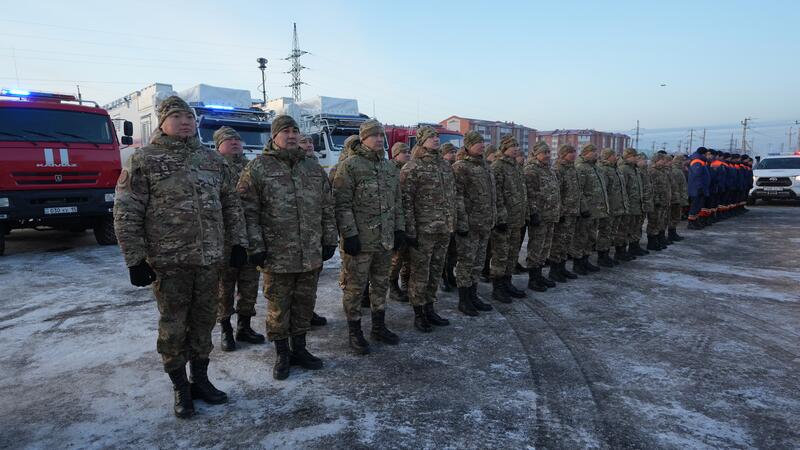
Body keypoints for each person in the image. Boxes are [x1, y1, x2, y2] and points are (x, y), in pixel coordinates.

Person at [114, 96, 247, 418]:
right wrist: (134, 259)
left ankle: (200, 380)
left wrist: (237, 244)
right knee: (173, 327)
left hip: (209, 260)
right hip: (169, 262)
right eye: (177, 117)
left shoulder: (212, 161)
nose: (185, 122)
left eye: (189, 117)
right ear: (162, 122)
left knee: (203, 323)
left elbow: (231, 204)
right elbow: (126, 212)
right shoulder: (144, 160)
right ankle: (180, 388)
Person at [237, 115, 338, 380]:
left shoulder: (312, 168)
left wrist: (329, 238)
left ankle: (301, 349)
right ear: (274, 136)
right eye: (285, 131)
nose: (291, 135)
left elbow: (327, 206)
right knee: (279, 306)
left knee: (304, 304)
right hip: (276, 254)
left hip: (310, 252)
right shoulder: (258, 168)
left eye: (295, 131)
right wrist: (255, 246)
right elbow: (248, 211)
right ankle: (282, 354)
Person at [333, 120, 404, 354]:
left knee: (381, 284)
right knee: (355, 288)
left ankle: (378, 327)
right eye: (373, 136)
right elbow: (341, 204)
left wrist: (399, 229)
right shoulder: (351, 166)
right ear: (362, 139)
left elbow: (397, 203)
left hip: (384, 240)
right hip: (361, 241)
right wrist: (349, 235)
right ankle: (355, 332)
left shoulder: (388, 167)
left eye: (380, 136)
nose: (378, 139)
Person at [400, 126, 466, 332]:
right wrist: (410, 230)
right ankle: (419, 312)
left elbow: (453, 197)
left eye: (437, 137)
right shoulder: (412, 167)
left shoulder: (445, 166)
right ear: (421, 141)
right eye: (431, 137)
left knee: (436, 271)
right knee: (420, 273)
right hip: (423, 230)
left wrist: (453, 222)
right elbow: (406, 202)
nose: (436, 140)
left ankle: (430, 307)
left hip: (443, 228)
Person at [213, 127, 265, 352]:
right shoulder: (213, 168)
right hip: (225, 240)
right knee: (224, 286)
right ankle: (226, 328)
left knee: (249, 284)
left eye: (237, 139)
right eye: (228, 139)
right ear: (218, 145)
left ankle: (244, 326)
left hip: (251, 236)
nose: (234, 142)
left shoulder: (252, 167)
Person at [451, 131, 496, 316]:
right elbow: (458, 196)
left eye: (483, 142)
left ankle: (474, 295)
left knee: (478, 262)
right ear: (468, 145)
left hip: (485, 223)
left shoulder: (486, 166)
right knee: (466, 262)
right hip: (469, 224)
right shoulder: (461, 167)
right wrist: (461, 222)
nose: (482, 145)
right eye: (477, 142)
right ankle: (464, 300)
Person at [489, 135, 528, 301]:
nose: (516, 149)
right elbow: (496, 195)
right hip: (504, 220)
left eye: (517, 146)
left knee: (513, 254)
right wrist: (501, 218)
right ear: (504, 148)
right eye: (513, 146)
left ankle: (507, 282)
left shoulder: (516, 167)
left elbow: (522, 193)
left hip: (517, 218)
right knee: (501, 255)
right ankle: (497, 288)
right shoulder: (498, 166)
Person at [299, 134, 331, 327]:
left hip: (314, 233)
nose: (309, 145)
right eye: (305, 142)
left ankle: (308, 311)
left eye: (310, 142)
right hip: (292, 235)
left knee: (311, 279)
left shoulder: (317, 168)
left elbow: (327, 202)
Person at [523, 141, 560, 291]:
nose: (547, 156)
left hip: (550, 214)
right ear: (536, 154)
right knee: (536, 247)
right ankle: (533, 279)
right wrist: (534, 213)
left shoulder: (549, 170)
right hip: (540, 215)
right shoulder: (531, 170)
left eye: (548, 153)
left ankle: (539, 275)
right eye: (544, 153)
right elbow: (530, 194)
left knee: (545, 247)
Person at [574, 144, 608, 274]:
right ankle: (578, 264)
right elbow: (579, 190)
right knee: (581, 237)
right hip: (586, 210)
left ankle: (585, 260)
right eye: (593, 151)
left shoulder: (596, 168)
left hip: (597, 210)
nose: (596, 154)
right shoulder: (581, 168)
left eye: (596, 151)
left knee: (591, 237)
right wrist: (583, 207)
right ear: (585, 153)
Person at [549, 144, 581, 282]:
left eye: (574, 151)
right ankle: (554, 271)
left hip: (572, 212)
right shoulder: (558, 169)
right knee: (558, 243)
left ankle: (562, 268)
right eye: (570, 152)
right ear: (562, 154)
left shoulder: (572, 169)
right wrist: (560, 212)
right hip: (563, 213)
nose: (573, 154)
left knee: (567, 242)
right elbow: (556, 193)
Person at [596, 148, 630, 265]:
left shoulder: (616, 170)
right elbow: (602, 191)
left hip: (618, 206)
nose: (616, 157)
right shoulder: (604, 170)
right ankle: (602, 256)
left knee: (612, 232)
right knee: (605, 232)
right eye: (614, 155)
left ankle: (607, 255)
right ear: (607, 156)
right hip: (609, 207)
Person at [389, 142, 412, 302]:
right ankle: (392, 286)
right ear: (396, 154)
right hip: (396, 220)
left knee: (408, 256)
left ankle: (405, 283)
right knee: (396, 258)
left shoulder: (410, 169)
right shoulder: (390, 170)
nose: (408, 155)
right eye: (404, 152)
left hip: (408, 219)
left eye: (409, 152)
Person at [618, 148, 647, 257]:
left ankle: (634, 247)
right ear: (628, 157)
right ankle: (621, 251)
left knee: (636, 227)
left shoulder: (635, 169)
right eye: (634, 156)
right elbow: (622, 188)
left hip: (637, 204)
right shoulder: (624, 169)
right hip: (629, 204)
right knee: (625, 229)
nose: (637, 158)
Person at [440, 142, 459, 292]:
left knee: (454, 250)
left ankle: (450, 273)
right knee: (443, 252)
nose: (453, 155)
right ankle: (443, 277)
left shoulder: (456, 168)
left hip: (455, 216)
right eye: (450, 152)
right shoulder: (442, 169)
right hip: (443, 218)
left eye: (454, 152)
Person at [646, 152, 672, 250]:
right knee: (654, 221)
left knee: (660, 221)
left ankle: (657, 239)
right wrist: (656, 200)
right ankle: (651, 242)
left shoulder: (662, 171)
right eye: (662, 160)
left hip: (663, 201)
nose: (664, 162)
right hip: (656, 202)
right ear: (656, 161)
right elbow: (652, 188)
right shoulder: (653, 172)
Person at [668, 154, 688, 242]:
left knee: (675, 216)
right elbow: (675, 186)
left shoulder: (678, 170)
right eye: (684, 161)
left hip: (678, 196)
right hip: (676, 197)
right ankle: (671, 234)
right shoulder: (676, 171)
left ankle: (673, 233)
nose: (685, 162)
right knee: (674, 216)